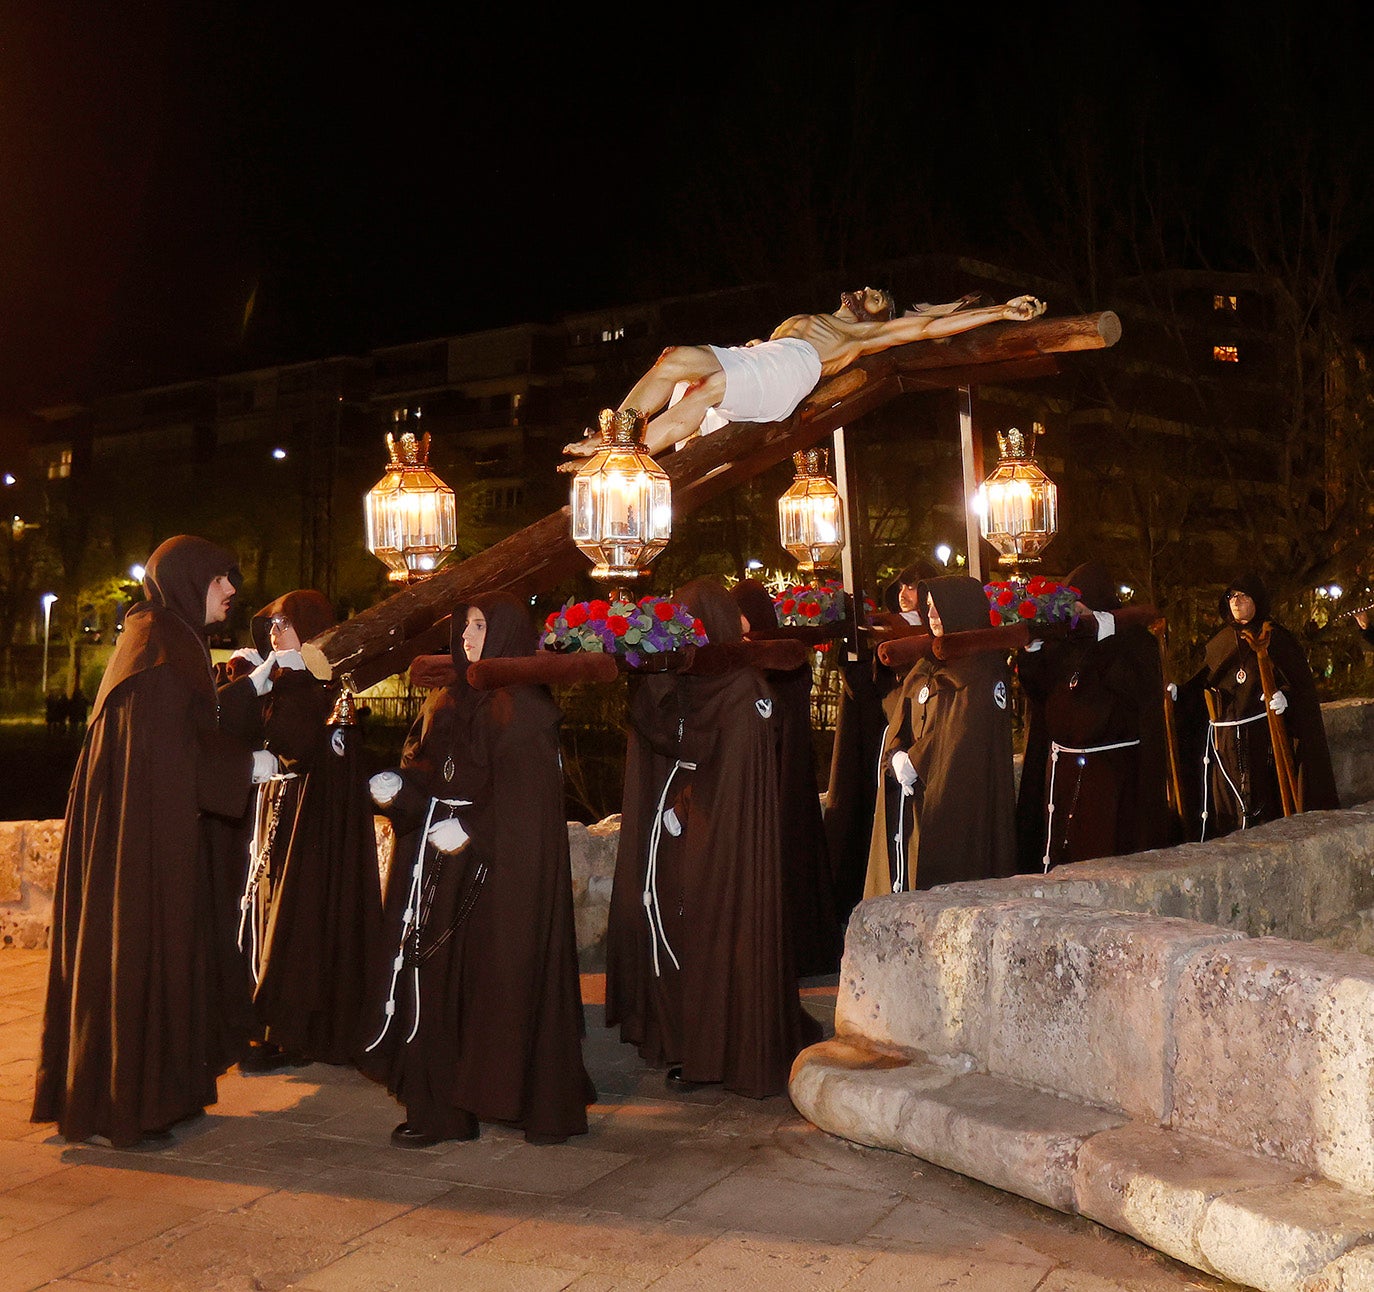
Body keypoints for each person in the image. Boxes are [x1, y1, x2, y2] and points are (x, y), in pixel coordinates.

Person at [32, 535, 267, 1148]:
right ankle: (127, 1104)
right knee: (142, 951)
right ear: (187, 580)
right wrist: (247, 768)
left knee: (163, 952)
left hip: (147, 826)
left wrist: (248, 701)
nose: (231, 590)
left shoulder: (164, 639)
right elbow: (170, 754)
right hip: (141, 842)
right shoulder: (161, 649)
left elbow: (182, 735)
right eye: (219, 578)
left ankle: (163, 1094)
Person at [361, 592, 593, 1146]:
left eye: (481, 625)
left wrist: (474, 829)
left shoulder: (527, 710)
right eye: (464, 624)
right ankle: (440, 1105)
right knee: (435, 981)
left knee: (478, 984)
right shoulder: (448, 699)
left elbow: (530, 804)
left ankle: (476, 1098)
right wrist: (401, 788)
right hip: (439, 864)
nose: (466, 636)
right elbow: (429, 768)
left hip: (490, 877)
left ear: (507, 632)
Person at [605, 577, 810, 1099]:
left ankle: (722, 1052)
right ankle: (691, 1041)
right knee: (685, 930)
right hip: (693, 825)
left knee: (718, 932)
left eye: (692, 620)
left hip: (722, 835)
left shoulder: (745, 690)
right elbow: (667, 733)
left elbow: (733, 771)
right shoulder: (697, 682)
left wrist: (691, 807)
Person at [563, 289, 1047, 460]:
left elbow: (926, 326)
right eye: (870, 289)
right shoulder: (809, 318)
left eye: (877, 297)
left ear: (878, 318)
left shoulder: (859, 337)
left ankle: (624, 449)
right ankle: (617, 436)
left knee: (704, 390)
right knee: (673, 360)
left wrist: (1001, 311)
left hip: (790, 372)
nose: (867, 291)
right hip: (762, 358)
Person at [237, 590, 383, 1069]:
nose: (275, 632)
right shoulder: (286, 680)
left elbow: (295, 743)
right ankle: (266, 1015)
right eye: (271, 623)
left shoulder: (323, 688)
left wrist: (286, 679)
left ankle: (296, 1029)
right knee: (271, 912)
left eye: (285, 622)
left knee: (302, 918)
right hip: (284, 813)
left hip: (314, 826)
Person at [1014, 563, 1174, 872]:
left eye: (1081, 606)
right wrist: (1032, 652)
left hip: (1110, 771)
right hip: (1063, 768)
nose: (1075, 613)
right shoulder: (1068, 640)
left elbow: (1138, 692)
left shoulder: (1135, 640)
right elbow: (1041, 692)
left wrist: (1108, 641)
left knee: (1100, 854)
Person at [865, 575, 1018, 896]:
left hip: (955, 800)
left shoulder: (985, 670)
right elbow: (901, 714)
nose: (931, 615)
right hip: (916, 795)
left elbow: (964, 732)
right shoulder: (927, 664)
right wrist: (896, 753)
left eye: (939, 607)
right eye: (928, 607)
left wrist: (916, 760)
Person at [730, 578, 842, 976]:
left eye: (740, 612)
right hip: (775, 777)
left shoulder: (777, 658)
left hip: (781, 780)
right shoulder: (758, 656)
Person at [1190, 571, 1339, 839]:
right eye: (1231, 596)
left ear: (1257, 600)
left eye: (1243, 596)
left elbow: (1300, 686)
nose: (1236, 601)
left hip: (1262, 740)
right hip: (1225, 743)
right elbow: (1203, 682)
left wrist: (1286, 697)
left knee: (1261, 808)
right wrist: (1179, 693)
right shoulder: (1220, 640)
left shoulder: (1275, 637)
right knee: (1228, 811)